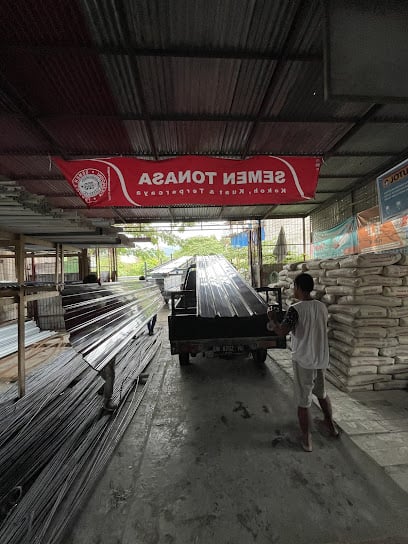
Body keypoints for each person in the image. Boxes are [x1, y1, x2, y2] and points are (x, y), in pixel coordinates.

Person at [267, 273, 338, 452]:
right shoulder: (322, 307)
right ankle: (331, 427)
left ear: (298, 287)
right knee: (321, 394)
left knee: (303, 401)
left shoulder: (295, 309)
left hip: (304, 360)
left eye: (294, 286)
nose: (292, 289)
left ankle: (306, 440)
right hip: (320, 359)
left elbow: (282, 332)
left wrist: (273, 319)